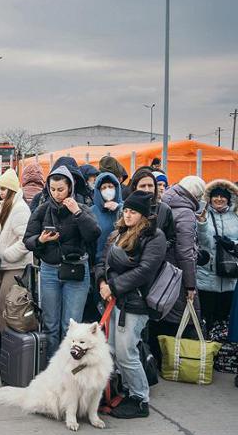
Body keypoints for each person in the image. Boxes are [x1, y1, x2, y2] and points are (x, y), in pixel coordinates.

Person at [95, 191, 166, 419]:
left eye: (132, 212)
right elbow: (102, 261)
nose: (127, 215)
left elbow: (145, 271)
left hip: (136, 303)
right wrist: (102, 283)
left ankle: (140, 398)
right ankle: (126, 392)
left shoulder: (155, 237)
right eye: (125, 210)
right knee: (115, 350)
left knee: (127, 352)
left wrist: (112, 286)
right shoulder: (119, 232)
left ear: (143, 215)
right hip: (116, 300)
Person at [24, 165, 101, 357]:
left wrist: (77, 213)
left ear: (70, 188)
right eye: (52, 189)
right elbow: (27, 240)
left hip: (75, 271)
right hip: (49, 270)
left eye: (61, 189)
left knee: (71, 326)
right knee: (50, 324)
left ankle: (70, 368)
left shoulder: (81, 208)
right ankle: (52, 369)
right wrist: (41, 240)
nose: (56, 194)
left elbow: (93, 234)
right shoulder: (42, 210)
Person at [149, 176, 205, 361]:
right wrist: (190, 285)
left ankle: (156, 357)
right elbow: (185, 252)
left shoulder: (164, 203)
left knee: (159, 312)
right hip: (176, 273)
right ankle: (172, 360)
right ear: (196, 194)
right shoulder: (186, 213)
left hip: (160, 269)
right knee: (178, 316)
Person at [0, 169, 32, 343]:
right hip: (5, 265)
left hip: (15, 266)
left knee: (7, 307)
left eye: (4, 189)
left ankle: (8, 347)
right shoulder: (6, 208)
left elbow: (25, 240)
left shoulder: (19, 209)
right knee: (4, 308)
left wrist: (6, 255)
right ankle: (5, 347)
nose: (0, 192)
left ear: (12, 190)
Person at [196, 180, 238, 329]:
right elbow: (203, 243)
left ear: (229, 198)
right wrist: (201, 224)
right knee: (207, 319)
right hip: (206, 276)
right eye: (215, 196)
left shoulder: (236, 216)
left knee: (226, 320)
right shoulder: (203, 214)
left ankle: (224, 350)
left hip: (230, 277)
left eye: (223, 196)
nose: (219, 199)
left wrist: (232, 245)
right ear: (210, 198)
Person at [91, 172, 123, 263]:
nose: (107, 190)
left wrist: (118, 208)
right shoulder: (91, 211)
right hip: (98, 262)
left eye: (110, 186)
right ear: (98, 191)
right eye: (103, 188)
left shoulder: (125, 208)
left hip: (120, 261)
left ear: (116, 188)